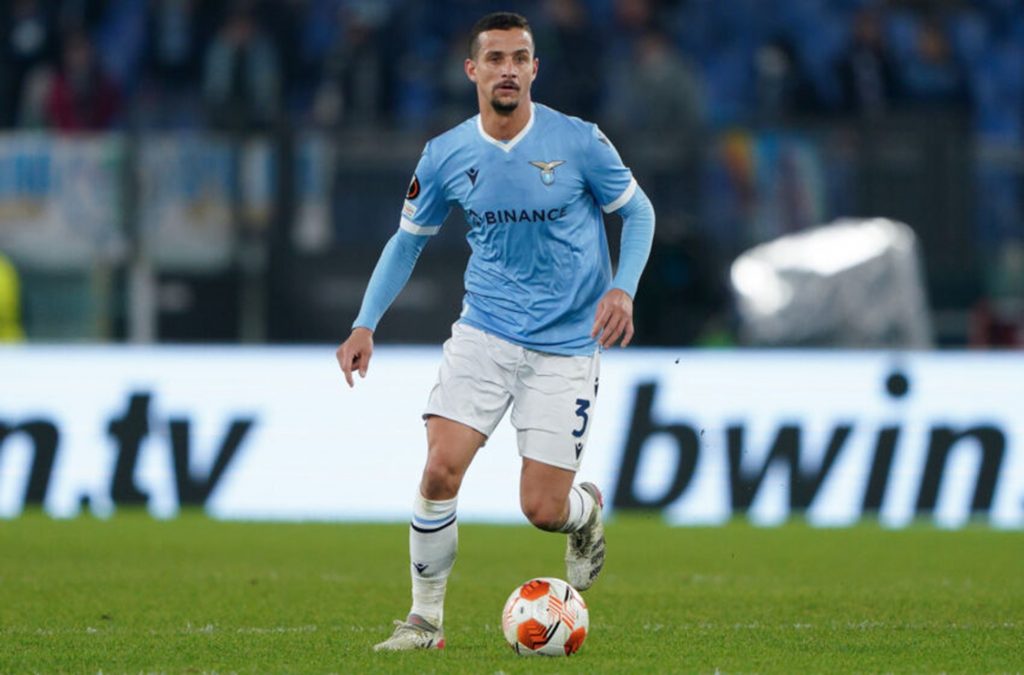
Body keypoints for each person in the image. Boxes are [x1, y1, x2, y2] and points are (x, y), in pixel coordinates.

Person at [335, 11, 655, 652]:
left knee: (542, 509)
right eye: (495, 58)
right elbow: (407, 243)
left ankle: (584, 511)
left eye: (519, 58)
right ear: (472, 70)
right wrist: (364, 323)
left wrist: (623, 287)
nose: (507, 69)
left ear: (535, 69)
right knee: (439, 470)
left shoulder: (579, 141)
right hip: (485, 332)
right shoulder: (446, 154)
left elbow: (639, 212)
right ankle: (424, 622)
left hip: (566, 345)